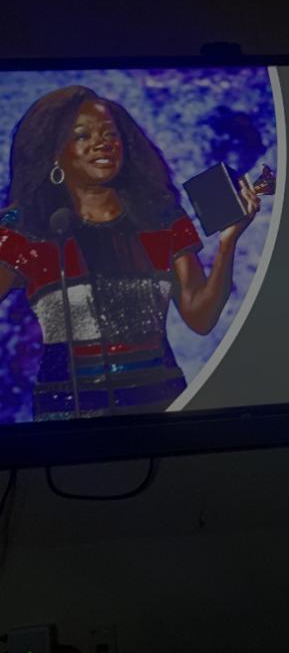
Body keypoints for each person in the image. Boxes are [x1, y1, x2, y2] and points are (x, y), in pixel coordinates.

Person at [0, 85, 262, 420]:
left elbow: (200, 318)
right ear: (54, 153)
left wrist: (228, 241)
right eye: (82, 136)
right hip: (67, 420)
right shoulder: (27, 227)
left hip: (162, 409)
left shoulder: (161, 217)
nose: (102, 143)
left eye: (111, 133)